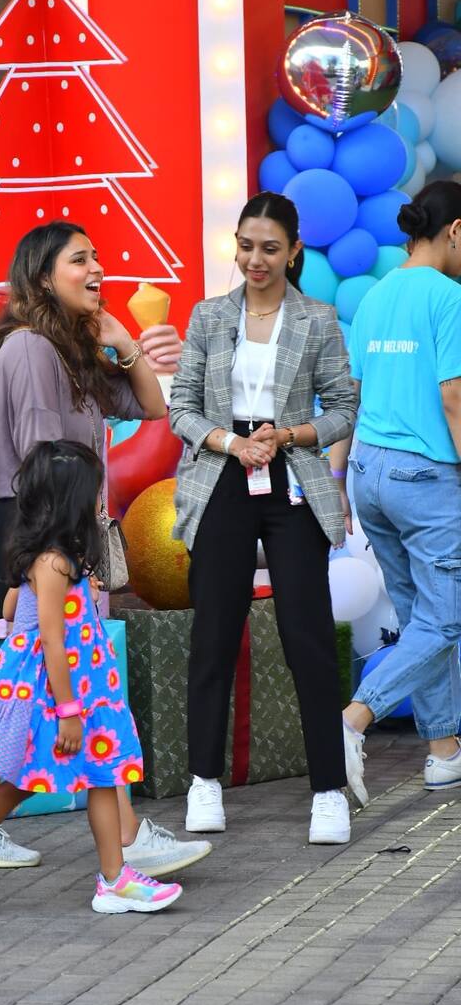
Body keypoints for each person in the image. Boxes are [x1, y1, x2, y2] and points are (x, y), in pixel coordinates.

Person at [0, 220, 212, 877]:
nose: (97, 270)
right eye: (80, 259)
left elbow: (152, 408)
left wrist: (124, 344)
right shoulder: (31, 349)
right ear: (42, 276)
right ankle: (113, 841)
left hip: (60, 524)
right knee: (44, 684)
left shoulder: (69, 348)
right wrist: (55, 555)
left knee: (31, 686)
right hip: (37, 524)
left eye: (97, 258)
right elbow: (42, 461)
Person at [0, 440, 183, 916]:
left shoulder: (57, 559)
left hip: (81, 688)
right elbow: (52, 643)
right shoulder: (54, 562)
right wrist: (69, 712)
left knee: (104, 773)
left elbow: (11, 609)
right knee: (17, 782)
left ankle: (115, 880)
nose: (100, 502)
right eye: (94, 493)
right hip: (53, 693)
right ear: (73, 503)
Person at [170, 191, 357, 845]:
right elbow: (181, 407)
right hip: (223, 473)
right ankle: (203, 781)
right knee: (214, 634)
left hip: (291, 475)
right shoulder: (209, 315)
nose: (256, 259)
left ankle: (329, 790)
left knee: (308, 635)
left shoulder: (317, 318)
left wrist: (292, 435)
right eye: (246, 246)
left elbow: (343, 407)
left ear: (294, 251)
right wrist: (230, 442)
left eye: (270, 248)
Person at [338, 181, 461, 806]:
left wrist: (339, 480)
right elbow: (453, 396)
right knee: (447, 617)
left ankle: (443, 752)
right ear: (456, 231)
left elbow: (352, 396)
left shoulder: (377, 295)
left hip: (369, 473)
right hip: (425, 477)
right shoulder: (448, 297)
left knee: (420, 618)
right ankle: (355, 717)